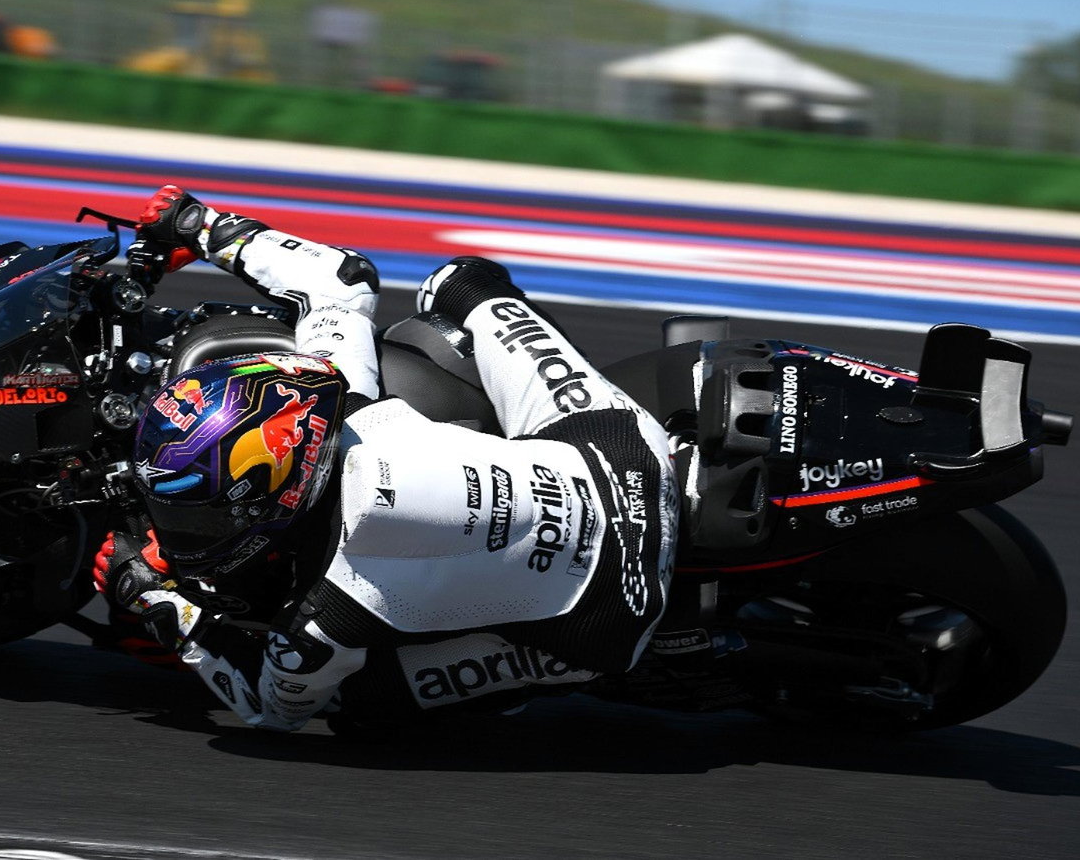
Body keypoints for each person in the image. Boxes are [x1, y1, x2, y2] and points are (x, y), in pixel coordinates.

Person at [93, 185, 679, 732]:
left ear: (281, 495)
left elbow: (273, 708)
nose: (186, 529)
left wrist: (153, 596)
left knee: (354, 706)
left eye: (204, 513)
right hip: (627, 460)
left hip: (613, 619)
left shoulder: (331, 605)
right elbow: (342, 278)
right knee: (459, 283)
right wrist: (198, 225)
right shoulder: (349, 410)